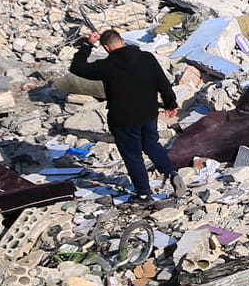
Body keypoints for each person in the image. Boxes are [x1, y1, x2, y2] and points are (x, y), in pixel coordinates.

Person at [69, 29, 184, 200]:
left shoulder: (106, 66)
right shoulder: (147, 58)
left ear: (107, 48)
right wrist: (170, 104)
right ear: (123, 40)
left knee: (133, 156)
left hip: (123, 118)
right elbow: (163, 83)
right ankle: (171, 172)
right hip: (148, 113)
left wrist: (87, 45)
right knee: (152, 145)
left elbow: (77, 68)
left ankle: (144, 194)